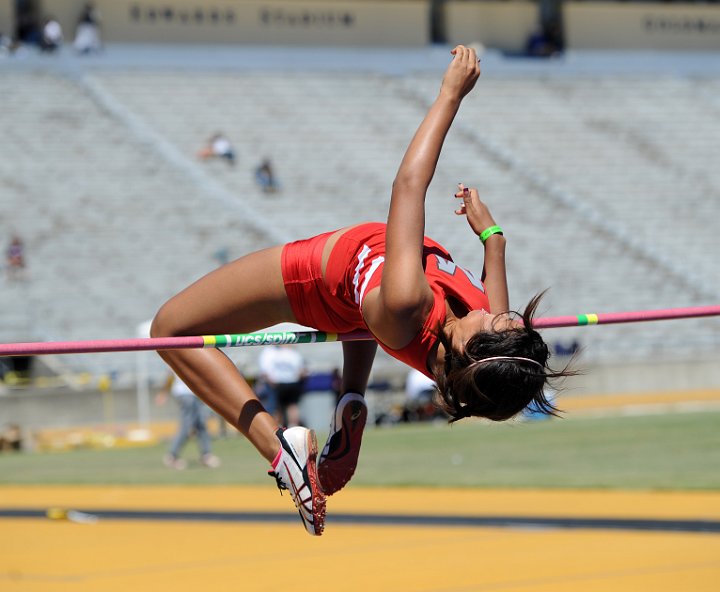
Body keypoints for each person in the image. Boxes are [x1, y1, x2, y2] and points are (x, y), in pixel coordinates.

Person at [151, 45, 570, 536]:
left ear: (472, 348)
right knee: (363, 312)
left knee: (170, 329)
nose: (507, 315)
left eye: (503, 324)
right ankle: (352, 399)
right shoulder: (476, 337)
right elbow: (496, 304)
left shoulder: (407, 302)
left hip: (315, 277)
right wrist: (492, 239)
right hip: (362, 304)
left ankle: (278, 448)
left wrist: (450, 95)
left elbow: (409, 185)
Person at [156, 372, 221, 470]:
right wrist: (163, 393)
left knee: (201, 424)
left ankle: (206, 455)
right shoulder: (179, 357)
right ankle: (172, 456)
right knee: (186, 427)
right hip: (185, 394)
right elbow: (170, 375)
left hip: (194, 394)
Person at [258, 344, 306, 428]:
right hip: (290, 382)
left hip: (279, 382)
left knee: (278, 407)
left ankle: (279, 428)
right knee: (291, 406)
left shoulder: (270, 351)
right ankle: (292, 427)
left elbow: (265, 369)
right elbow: (301, 370)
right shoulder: (292, 352)